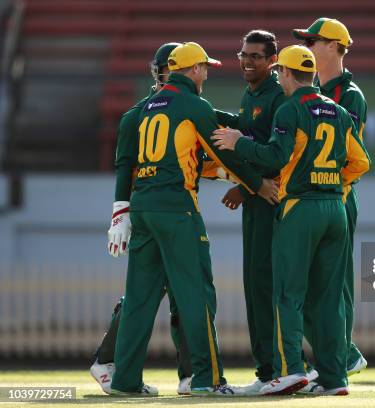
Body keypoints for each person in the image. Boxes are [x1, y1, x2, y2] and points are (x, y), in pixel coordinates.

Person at [108, 41, 278, 397]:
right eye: (205, 68)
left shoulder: (142, 109)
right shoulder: (193, 104)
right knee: (197, 293)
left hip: (143, 207)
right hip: (177, 209)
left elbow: (127, 150)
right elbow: (223, 152)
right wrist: (256, 184)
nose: (206, 75)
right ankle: (207, 379)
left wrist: (120, 209)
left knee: (139, 297)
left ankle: (124, 381)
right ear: (195, 70)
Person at [212, 45, 370, 396]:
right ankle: (334, 379)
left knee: (288, 292)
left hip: (301, 207)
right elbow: (361, 163)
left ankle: (289, 371)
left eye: (280, 72)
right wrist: (333, 183)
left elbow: (275, 154)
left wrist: (239, 143)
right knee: (329, 299)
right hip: (335, 209)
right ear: (312, 73)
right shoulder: (338, 111)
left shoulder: (289, 109)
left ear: (284, 73)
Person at [93, 42, 193, 396]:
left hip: (165, 207)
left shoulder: (183, 107)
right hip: (150, 211)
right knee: (147, 293)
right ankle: (108, 359)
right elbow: (124, 166)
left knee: (175, 292)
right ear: (164, 70)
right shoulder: (137, 114)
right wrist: (121, 212)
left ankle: (189, 372)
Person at [293, 17, 369, 376]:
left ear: (335, 47)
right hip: (306, 197)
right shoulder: (305, 91)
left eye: (313, 41)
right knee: (301, 285)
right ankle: (341, 351)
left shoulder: (350, 96)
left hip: (337, 197)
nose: (307, 46)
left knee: (335, 282)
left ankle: (344, 353)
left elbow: (345, 151)